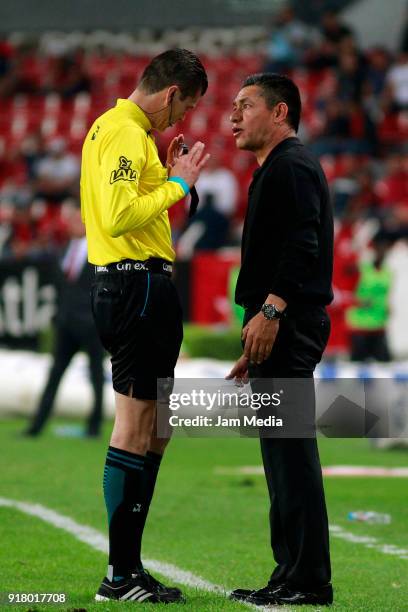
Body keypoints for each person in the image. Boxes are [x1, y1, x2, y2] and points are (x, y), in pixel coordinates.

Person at [80, 49, 209, 603]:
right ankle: (119, 574)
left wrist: (169, 175)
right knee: (136, 427)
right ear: (169, 93)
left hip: (143, 285)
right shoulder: (127, 132)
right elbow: (117, 217)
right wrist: (176, 185)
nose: (180, 121)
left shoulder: (119, 132)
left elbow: (139, 204)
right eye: (185, 108)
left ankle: (129, 567)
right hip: (135, 287)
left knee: (157, 428)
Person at [227, 73, 334, 606]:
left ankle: (309, 581)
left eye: (246, 105)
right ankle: (289, 573)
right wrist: (255, 339)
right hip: (278, 328)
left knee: (291, 454)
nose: (233, 116)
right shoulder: (278, 167)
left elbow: (304, 241)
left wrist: (271, 311)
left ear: (281, 112)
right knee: (278, 456)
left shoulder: (290, 165)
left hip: (289, 324)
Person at [25, 204, 104, 437]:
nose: (72, 225)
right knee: (55, 374)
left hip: (90, 324)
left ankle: (95, 426)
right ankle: (36, 426)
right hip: (66, 323)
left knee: (96, 375)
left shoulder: (100, 250)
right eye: (70, 221)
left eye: (77, 221)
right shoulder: (64, 250)